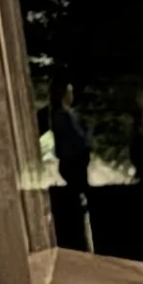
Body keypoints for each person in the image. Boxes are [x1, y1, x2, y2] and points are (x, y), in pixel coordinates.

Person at [49, 77, 95, 251]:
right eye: (69, 91)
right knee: (80, 202)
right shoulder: (63, 115)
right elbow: (79, 141)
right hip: (73, 162)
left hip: (72, 163)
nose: (72, 94)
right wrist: (88, 133)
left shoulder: (61, 114)